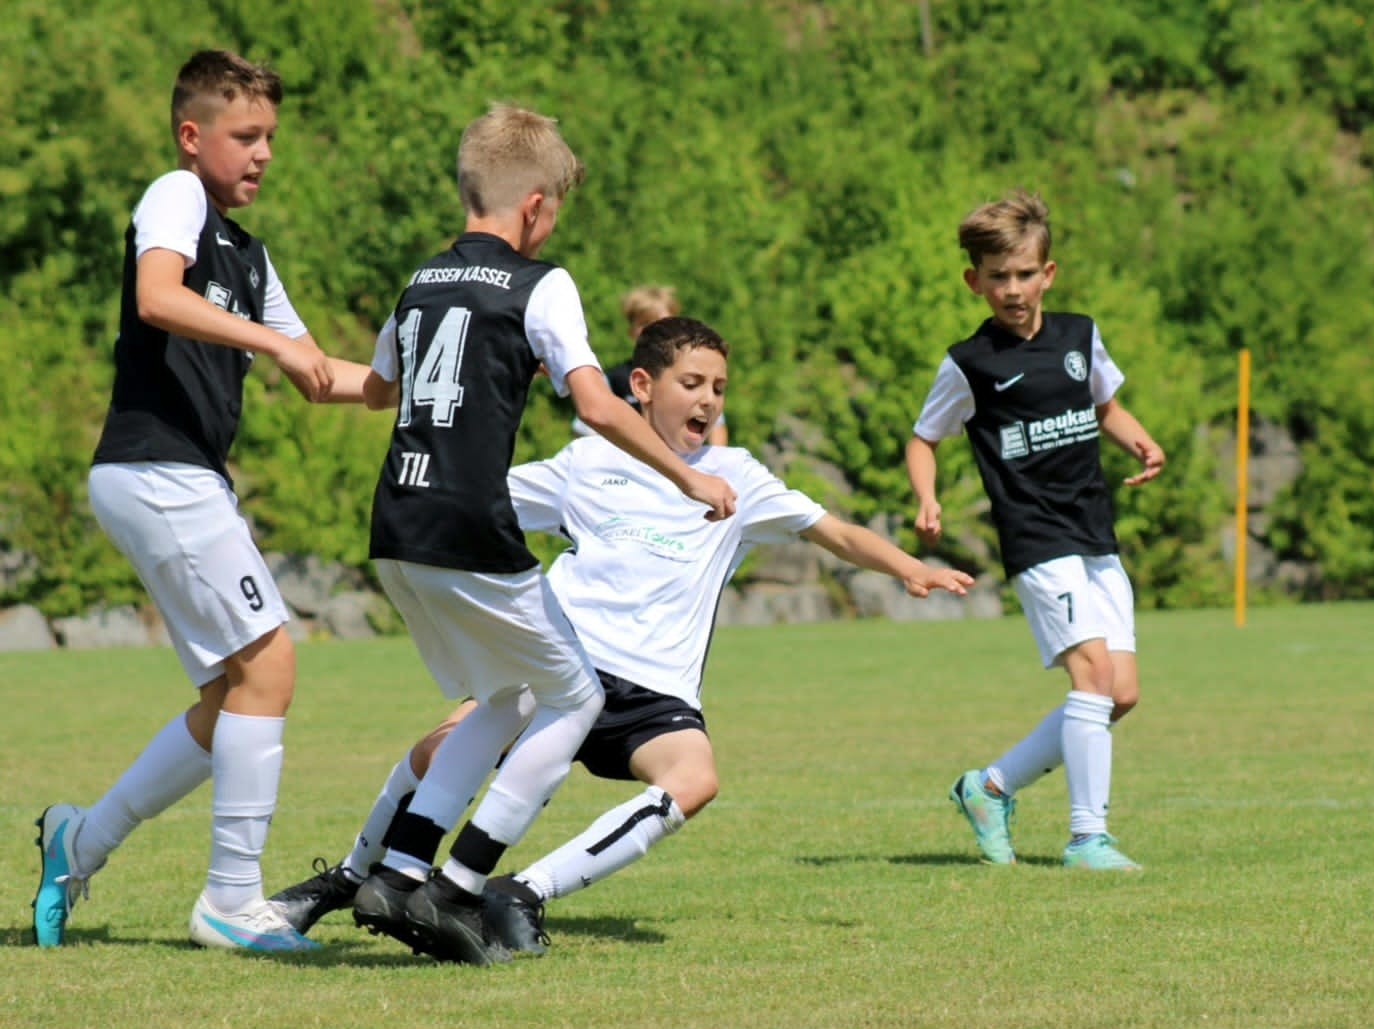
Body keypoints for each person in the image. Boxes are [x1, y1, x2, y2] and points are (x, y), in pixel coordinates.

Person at [269, 316, 973, 955]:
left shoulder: (737, 476)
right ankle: (350, 878)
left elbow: (835, 532)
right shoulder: (588, 464)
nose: (708, 400)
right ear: (641, 386)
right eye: (691, 383)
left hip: (652, 688)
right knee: (440, 748)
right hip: (561, 664)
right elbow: (485, 501)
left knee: (694, 780)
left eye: (719, 388)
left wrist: (911, 569)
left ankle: (523, 890)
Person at [347, 105, 737, 966]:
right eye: (555, 207)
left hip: (397, 526)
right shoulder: (541, 284)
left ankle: (399, 870)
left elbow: (375, 390)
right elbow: (596, 404)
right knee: (574, 697)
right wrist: (690, 477)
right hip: (468, 527)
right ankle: (459, 886)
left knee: (505, 699)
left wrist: (290, 359)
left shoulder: (421, 280)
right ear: (533, 206)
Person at [29, 49, 380, 954]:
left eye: (271, 138)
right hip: (159, 469)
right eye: (246, 135)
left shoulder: (249, 256)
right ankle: (230, 900)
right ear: (193, 136)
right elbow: (156, 297)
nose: (264, 154)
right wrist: (271, 340)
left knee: (233, 698)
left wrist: (420, 380)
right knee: (271, 668)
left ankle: (80, 841)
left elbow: (322, 373)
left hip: (172, 478)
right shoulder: (176, 194)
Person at [904, 189, 1165, 871]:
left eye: (1024, 274)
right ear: (974, 281)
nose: (1012, 289)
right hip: (1036, 536)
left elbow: (1105, 405)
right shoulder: (970, 363)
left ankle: (988, 788)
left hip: (1093, 531)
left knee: (1120, 692)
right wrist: (926, 498)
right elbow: (923, 438)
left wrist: (1141, 442)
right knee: (1091, 676)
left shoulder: (1080, 336)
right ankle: (1087, 838)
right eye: (998, 277)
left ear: (1047, 274)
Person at [591, 285, 727, 445]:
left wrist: (716, 458)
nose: (655, 331)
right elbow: (591, 427)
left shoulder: (697, 373)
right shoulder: (614, 379)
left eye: (663, 323)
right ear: (631, 331)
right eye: (645, 323)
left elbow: (717, 428)